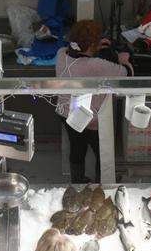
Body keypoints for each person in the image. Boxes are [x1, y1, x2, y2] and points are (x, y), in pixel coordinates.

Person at [54, 19, 134, 183]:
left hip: (66, 114)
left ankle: (77, 183)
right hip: (92, 119)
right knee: (101, 154)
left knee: (77, 149)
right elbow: (126, 75)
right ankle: (100, 185)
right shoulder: (96, 65)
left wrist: (93, 47)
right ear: (92, 45)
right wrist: (123, 59)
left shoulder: (61, 54)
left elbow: (80, 59)